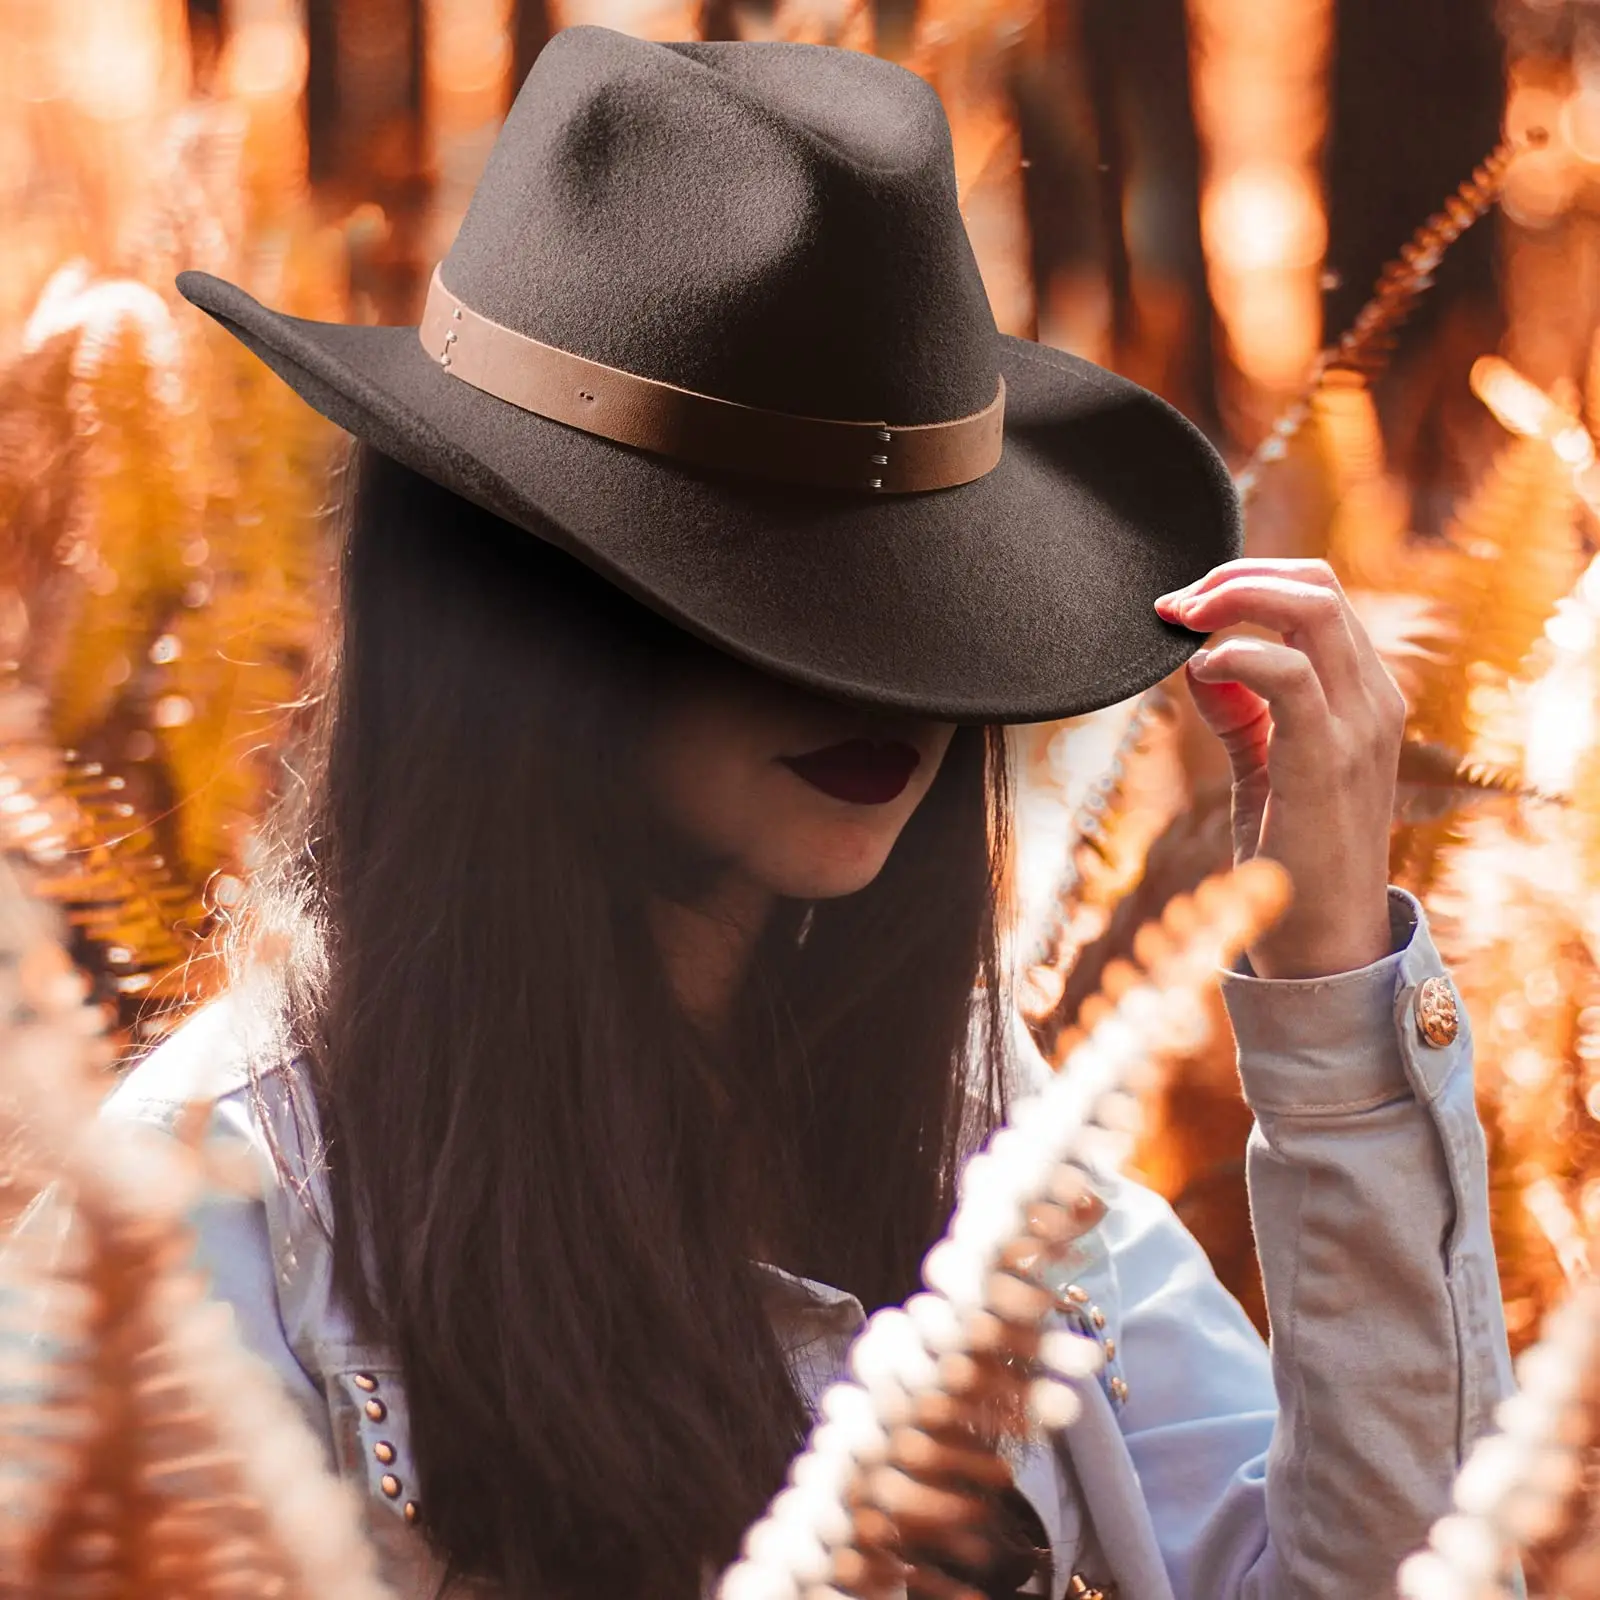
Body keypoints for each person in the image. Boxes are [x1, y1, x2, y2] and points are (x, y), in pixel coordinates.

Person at [103, 24, 1513, 1600]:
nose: (889, 691)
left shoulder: (964, 1117)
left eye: (923, 601)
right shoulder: (212, 1216)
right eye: (771, 600)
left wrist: (1330, 983)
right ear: (513, 607)